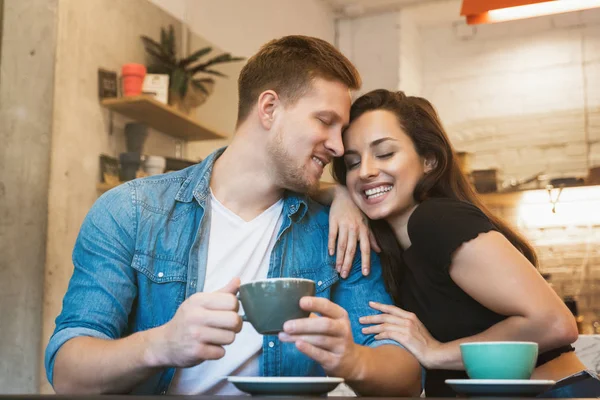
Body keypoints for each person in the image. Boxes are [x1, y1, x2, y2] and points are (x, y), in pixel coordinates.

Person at [45, 37, 422, 396]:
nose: (339, 147)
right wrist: (160, 344)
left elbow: (406, 374)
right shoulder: (130, 212)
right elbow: (68, 371)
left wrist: (354, 360)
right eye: (325, 121)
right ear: (269, 108)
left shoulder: (338, 234)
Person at [332, 89, 599, 397]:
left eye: (385, 154)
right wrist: (338, 195)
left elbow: (554, 323)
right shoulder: (397, 247)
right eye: (352, 162)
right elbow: (304, 185)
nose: (365, 171)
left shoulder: (436, 220)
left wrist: (436, 352)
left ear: (429, 160)